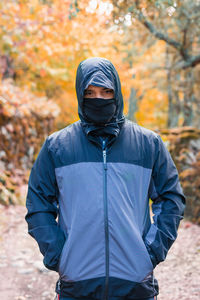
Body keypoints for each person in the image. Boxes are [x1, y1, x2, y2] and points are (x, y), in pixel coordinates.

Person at [25, 57, 185, 300]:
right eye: (90, 92)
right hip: (76, 284)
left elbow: (171, 198)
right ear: (80, 94)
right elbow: (38, 205)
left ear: (117, 93)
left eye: (106, 91)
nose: (98, 99)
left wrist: (151, 252)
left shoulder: (148, 144)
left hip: (135, 283)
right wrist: (59, 255)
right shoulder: (57, 147)